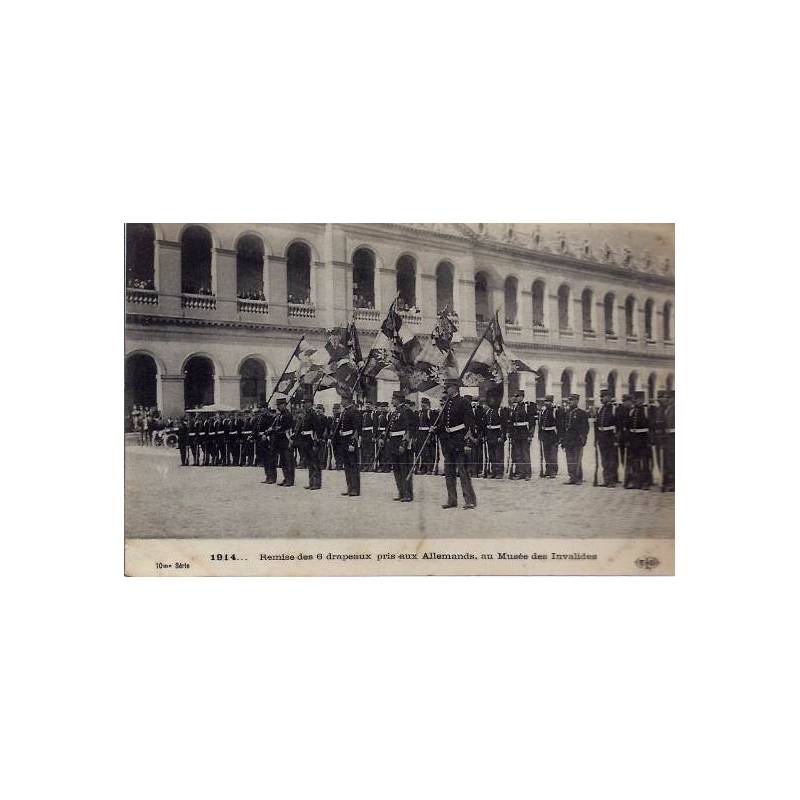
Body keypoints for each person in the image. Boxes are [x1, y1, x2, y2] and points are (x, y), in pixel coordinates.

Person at [436, 378, 477, 509]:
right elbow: (444, 424)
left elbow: (469, 424)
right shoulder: (447, 403)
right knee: (449, 472)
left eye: (448, 387)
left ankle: (469, 500)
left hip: (459, 441)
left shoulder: (464, 402)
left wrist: (467, 442)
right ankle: (452, 500)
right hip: (448, 442)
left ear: (455, 388)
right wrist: (436, 429)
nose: (446, 389)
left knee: (463, 472)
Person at [384, 390, 416, 502]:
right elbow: (391, 428)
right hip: (393, 443)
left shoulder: (406, 411)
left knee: (404, 469)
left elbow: (408, 429)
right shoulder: (396, 411)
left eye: (393, 399)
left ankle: (407, 494)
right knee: (396, 469)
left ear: (397, 399)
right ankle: (401, 492)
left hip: (401, 444)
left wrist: (404, 444)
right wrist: (384, 438)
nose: (392, 401)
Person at [298, 390, 325, 489]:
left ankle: (316, 483)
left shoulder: (313, 415)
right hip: (306, 440)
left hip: (312, 440)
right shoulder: (307, 414)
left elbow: (317, 429)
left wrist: (316, 442)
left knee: (315, 462)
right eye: (303, 403)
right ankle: (311, 482)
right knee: (310, 462)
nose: (303, 404)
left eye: (305, 403)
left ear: (310, 403)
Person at [625, 391, 653, 489]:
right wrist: (628, 438)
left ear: (642, 400)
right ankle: (636, 481)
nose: (637, 401)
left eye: (638, 399)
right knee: (634, 461)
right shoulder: (632, 411)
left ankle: (646, 482)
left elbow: (651, 426)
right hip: (633, 439)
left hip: (644, 438)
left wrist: (650, 440)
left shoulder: (647, 410)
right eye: (635, 400)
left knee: (644, 461)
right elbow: (628, 426)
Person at [561, 393, 589, 485]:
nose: (570, 402)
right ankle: (572, 477)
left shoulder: (582, 413)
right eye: (569, 400)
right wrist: (563, 440)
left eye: (572, 400)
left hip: (577, 440)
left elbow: (585, 428)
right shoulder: (567, 413)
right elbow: (564, 427)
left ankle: (578, 478)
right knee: (569, 460)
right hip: (568, 440)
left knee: (577, 460)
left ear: (577, 401)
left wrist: (583, 438)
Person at [337, 394, 362, 496]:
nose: (341, 402)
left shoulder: (354, 411)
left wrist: (352, 443)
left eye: (342, 399)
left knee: (353, 465)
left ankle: (355, 489)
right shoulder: (345, 411)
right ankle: (350, 487)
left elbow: (357, 429)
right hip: (344, 441)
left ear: (347, 400)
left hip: (350, 441)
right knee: (347, 466)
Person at [594, 390, 620, 486]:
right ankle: (606, 479)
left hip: (611, 437)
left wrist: (617, 439)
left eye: (603, 396)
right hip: (602, 438)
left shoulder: (614, 409)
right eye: (601, 396)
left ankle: (612, 480)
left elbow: (619, 425)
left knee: (612, 459)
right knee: (604, 460)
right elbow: (597, 425)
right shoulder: (601, 409)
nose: (601, 398)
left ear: (609, 397)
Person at [482, 384, 508, 478]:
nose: (491, 400)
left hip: (497, 435)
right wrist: (485, 435)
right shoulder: (488, 411)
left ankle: (499, 472)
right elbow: (485, 425)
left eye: (493, 398)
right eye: (490, 398)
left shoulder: (501, 411)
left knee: (498, 455)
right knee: (491, 454)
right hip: (490, 435)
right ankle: (493, 471)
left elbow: (504, 425)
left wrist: (502, 436)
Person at [508, 390, 535, 480]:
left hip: (524, 433)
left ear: (522, 396)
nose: (517, 398)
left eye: (518, 396)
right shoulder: (515, 407)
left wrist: (530, 435)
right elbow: (512, 422)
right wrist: (511, 433)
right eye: (516, 396)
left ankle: (527, 473)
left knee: (525, 454)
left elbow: (532, 422)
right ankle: (520, 472)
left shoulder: (527, 406)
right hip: (516, 434)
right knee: (518, 454)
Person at [273, 398, 296, 487]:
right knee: (283, 461)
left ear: (284, 405)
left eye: (280, 405)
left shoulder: (288, 415)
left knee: (288, 460)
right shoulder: (280, 415)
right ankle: (286, 478)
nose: (278, 407)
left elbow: (287, 428)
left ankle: (290, 480)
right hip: (280, 441)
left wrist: (277, 429)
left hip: (287, 440)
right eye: (278, 405)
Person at [538, 395, 559, 478]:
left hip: (553, 434)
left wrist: (559, 436)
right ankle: (548, 470)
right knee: (546, 454)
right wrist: (540, 434)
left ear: (552, 402)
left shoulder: (555, 411)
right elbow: (540, 423)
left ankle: (553, 471)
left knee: (553, 454)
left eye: (548, 401)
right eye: (546, 401)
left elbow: (559, 424)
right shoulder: (543, 411)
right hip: (545, 434)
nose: (547, 403)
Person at [415, 397, 436, 474]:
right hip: (420, 433)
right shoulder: (419, 412)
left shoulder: (430, 412)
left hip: (427, 433)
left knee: (428, 452)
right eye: (422, 404)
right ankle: (423, 467)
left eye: (424, 404)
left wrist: (430, 437)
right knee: (422, 452)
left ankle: (429, 468)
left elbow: (432, 424)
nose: (422, 405)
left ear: (428, 405)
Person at [662, 390, 675, 491]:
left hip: (673, 439)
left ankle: (673, 483)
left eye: (668, 398)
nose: (666, 400)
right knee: (668, 461)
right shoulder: (667, 409)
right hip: (667, 439)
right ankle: (669, 482)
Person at [359, 400, 376, 472]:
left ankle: (370, 466)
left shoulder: (373, 414)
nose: (367, 406)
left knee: (370, 450)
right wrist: (360, 435)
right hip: (364, 434)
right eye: (367, 404)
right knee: (364, 450)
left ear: (372, 406)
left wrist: (373, 436)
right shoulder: (363, 414)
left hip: (370, 433)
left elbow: (375, 425)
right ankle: (364, 465)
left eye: (369, 404)